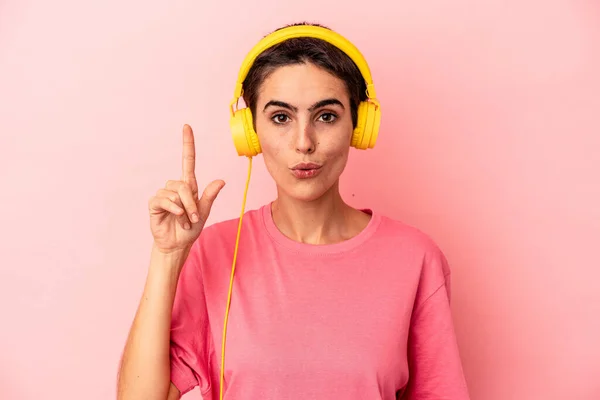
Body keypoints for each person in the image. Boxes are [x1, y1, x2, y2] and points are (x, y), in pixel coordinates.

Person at [117, 22, 470, 400]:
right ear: (250, 132)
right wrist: (168, 256)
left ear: (359, 126)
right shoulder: (216, 252)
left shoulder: (415, 258)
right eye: (281, 118)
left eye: (327, 116)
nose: (304, 143)